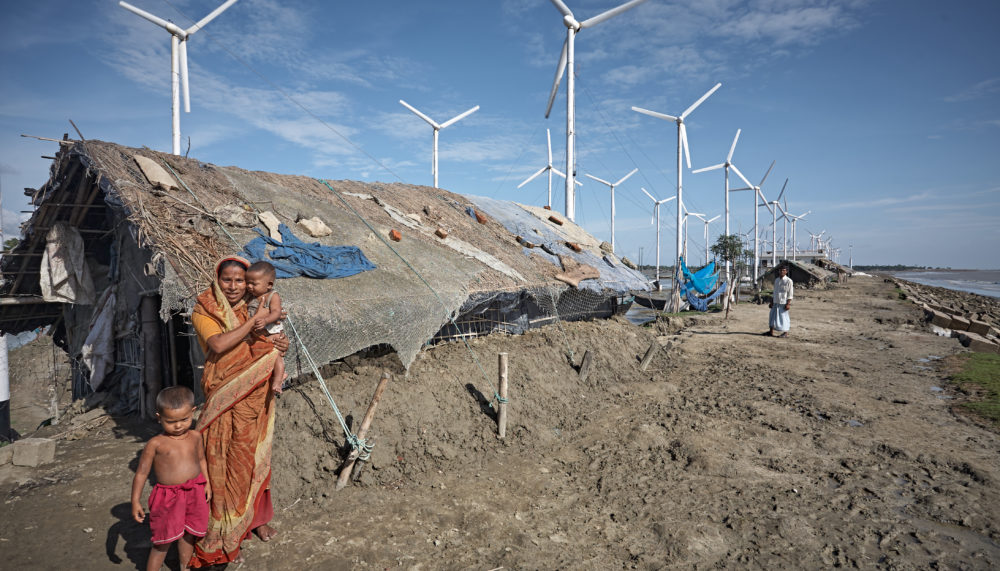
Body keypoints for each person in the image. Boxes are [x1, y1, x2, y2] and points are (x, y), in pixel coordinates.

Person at [189, 256, 288, 567]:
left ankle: (252, 522)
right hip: (222, 393)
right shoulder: (204, 310)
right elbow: (218, 345)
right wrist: (251, 324)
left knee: (248, 458)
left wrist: (279, 344)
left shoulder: (257, 305)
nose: (233, 286)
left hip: (253, 395)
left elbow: (269, 338)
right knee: (221, 464)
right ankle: (224, 531)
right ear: (217, 280)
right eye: (227, 280)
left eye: (240, 280)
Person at [130, 386, 211, 571]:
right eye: (171, 421)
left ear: (193, 412)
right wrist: (135, 501)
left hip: (194, 491)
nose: (179, 425)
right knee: (162, 541)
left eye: (184, 419)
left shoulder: (196, 437)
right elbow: (141, 473)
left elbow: (201, 460)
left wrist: (206, 483)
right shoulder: (155, 444)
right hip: (167, 497)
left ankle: (185, 566)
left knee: (188, 534)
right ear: (159, 417)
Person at [245, 261, 286, 395]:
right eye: (248, 283)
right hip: (260, 336)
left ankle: (278, 381)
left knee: (277, 357)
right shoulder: (250, 297)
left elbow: (276, 312)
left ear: (269, 285)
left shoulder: (272, 296)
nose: (249, 286)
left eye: (254, 284)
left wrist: (265, 320)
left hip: (272, 334)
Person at [766, 264, 793, 337]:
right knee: (772, 316)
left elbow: (790, 293)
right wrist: (771, 302)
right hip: (775, 302)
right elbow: (774, 292)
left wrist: (788, 304)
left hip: (783, 302)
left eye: (783, 270)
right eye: (780, 270)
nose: (781, 271)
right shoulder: (777, 280)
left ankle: (785, 333)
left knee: (783, 317)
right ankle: (770, 331)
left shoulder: (788, 281)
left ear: (786, 272)